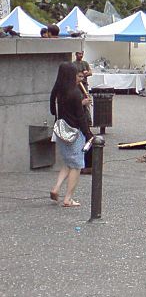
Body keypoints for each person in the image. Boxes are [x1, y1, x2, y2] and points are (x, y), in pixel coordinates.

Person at [49, 62, 92, 207]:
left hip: (60, 131)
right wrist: (88, 134)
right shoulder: (74, 93)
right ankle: (68, 198)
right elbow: (80, 117)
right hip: (74, 132)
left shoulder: (57, 91)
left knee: (68, 162)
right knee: (77, 165)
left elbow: (52, 110)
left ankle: (56, 188)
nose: (78, 77)